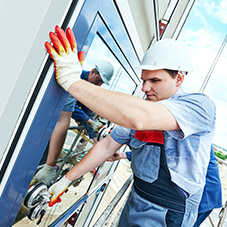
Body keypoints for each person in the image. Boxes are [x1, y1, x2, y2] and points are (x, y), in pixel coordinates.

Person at [44, 26, 216, 226]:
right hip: (138, 197)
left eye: (155, 80)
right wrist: (66, 180)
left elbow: (139, 118)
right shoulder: (144, 106)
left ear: (179, 78)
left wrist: (72, 81)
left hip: (171, 211)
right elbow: (107, 145)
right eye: (143, 80)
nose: (145, 88)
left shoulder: (199, 106)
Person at [31, 58, 114, 187]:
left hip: (54, 126)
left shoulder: (88, 89)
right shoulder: (75, 79)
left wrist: (96, 137)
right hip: (43, 122)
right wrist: (88, 120)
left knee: (46, 154)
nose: (99, 85)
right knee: (39, 154)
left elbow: (87, 110)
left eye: (101, 83)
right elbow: (70, 107)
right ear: (93, 72)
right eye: (99, 81)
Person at [107, 145, 222, 227]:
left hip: (204, 195)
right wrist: (124, 155)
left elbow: (166, 154)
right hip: (195, 193)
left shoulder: (192, 138)